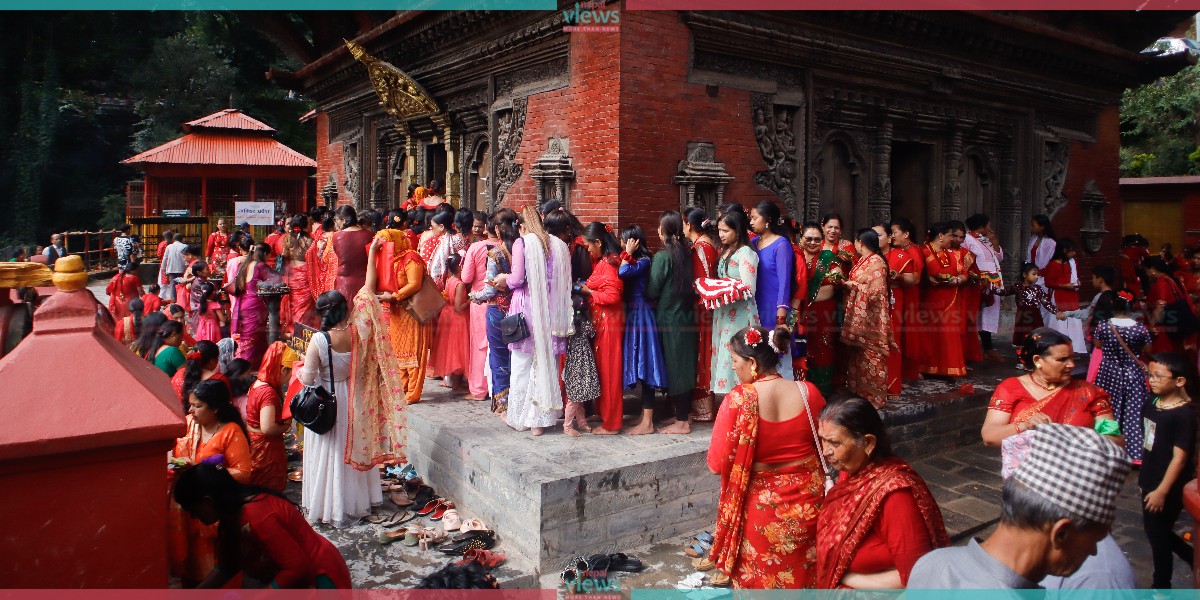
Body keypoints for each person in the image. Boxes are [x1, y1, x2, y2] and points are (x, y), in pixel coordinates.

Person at [909, 424, 1130, 588]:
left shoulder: (931, 565)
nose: (1094, 552)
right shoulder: (1102, 577)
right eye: (1095, 539)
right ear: (1061, 533)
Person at [705, 325, 825, 588]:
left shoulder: (738, 400)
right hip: (809, 507)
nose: (733, 368)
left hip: (760, 515)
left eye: (735, 362)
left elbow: (715, 464)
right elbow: (827, 447)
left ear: (751, 362)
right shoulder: (809, 392)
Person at [300, 241, 405, 527]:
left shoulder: (320, 340)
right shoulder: (360, 327)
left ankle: (331, 507)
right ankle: (357, 503)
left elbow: (308, 378)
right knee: (353, 449)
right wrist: (371, 253)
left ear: (324, 313)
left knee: (332, 452)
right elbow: (369, 290)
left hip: (328, 399)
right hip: (354, 397)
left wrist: (299, 368)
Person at [815, 397, 949, 588]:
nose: (826, 451)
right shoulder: (851, 472)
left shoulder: (895, 496)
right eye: (822, 440)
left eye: (835, 443)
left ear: (868, 443)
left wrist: (847, 577)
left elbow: (916, 577)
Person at [173, 464, 351, 589]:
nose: (194, 517)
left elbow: (297, 568)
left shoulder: (257, 516)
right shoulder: (231, 514)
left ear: (207, 502)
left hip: (320, 577)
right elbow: (227, 566)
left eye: (193, 510)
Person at [168, 380, 253, 587]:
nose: (191, 410)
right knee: (188, 568)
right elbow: (169, 450)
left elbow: (243, 474)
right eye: (190, 405)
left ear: (215, 408)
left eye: (197, 406)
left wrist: (199, 469)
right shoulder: (187, 424)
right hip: (188, 510)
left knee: (218, 568)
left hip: (214, 512)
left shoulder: (230, 432)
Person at [981, 327, 1123, 448]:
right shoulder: (1010, 388)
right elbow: (990, 436)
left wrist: (1076, 439)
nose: (1071, 365)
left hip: (1078, 475)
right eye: (1062, 360)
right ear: (1037, 360)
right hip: (1026, 476)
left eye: (1072, 358)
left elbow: (1116, 440)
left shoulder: (1089, 392)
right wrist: (1025, 425)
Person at [503, 206, 572, 436]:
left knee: (522, 365)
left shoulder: (522, 244)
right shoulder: (559, 246)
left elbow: (517, 279)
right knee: (545, 364)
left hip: (527, 311)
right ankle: (539, 420)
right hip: (552, 314)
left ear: (521, 226)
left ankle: (520, 418)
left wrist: (502, 279)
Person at [1140, 352, 1198, 588]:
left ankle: (1160, 586)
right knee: (1157, 532)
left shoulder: (1184, 414)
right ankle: (1193, 559)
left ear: (1180, 381)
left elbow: (1180, 458)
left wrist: (1162, 491)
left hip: (1168, 484)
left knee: (1158, 538)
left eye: (1159, 376)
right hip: (1149, 476)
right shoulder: (1152, 402)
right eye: (1150, 374)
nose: (1152, 380)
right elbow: (1149, 442)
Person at [646, 211, 697, 435]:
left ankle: (683, 421)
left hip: (669, 318)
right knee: (683, 366)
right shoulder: (687, 253)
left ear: (662, 231)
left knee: (676, 367)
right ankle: (680, 416)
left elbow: (652, 289)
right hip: (686, 317)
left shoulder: (663, 257)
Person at [373, 212, 431, 405]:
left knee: (414, 352)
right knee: (399, 352)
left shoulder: (411, 258)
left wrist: (394, 296)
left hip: (413, 312)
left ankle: (413, 391)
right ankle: (402, 387)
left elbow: (414, 284)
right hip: (398, 312)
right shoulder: (394, 259)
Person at [619, 224, 668, 434]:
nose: (621, 243)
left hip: (642, 314)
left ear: (633, 241)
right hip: (635, 313)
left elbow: (622, 272)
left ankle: (648, 422)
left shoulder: (645, 261)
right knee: (639, 362)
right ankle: (643, 415)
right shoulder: (637, 260)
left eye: (624, 240)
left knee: (646, 363)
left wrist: (626, 254)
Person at [1091, 291, 1151, 463]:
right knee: (1133, 412)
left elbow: (1098, 345)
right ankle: (1135, 453)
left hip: (1108, 373)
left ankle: (1105, 450)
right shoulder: (1139, 328)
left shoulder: (1103, 325)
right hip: (1133, 373)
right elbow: (1148, 350)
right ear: (1130, 307)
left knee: (1106, 409)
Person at [580, 221, 625, 435]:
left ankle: (612, 423)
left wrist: (589, 292)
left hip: (610, 324)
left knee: (609, 374)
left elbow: (613, 296)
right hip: (603, 323)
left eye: (590, 245)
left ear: (598, 242)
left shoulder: (610, 263)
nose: (588, 249)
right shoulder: (605, 261)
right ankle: (604, 412)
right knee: (603, 371)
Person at [841, 229, 895, 407]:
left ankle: (875, 397)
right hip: (860, 319)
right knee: (858, 357)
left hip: (872, 319)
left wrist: (852, 285)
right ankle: (859, 393)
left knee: (872, 357)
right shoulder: (864, 260)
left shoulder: (877, 262)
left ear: (859, 242)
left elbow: (876, 292)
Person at [473, 209, 519, 413]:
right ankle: (519, 398)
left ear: (498, 230)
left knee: (499, 355)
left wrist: (475, 296)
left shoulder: (496, 254)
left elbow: (490, 288)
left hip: (497, 309)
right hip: (519, 307)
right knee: (518, 355)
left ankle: (503, 401)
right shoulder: (522, 250)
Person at [710, 210, 761, 395]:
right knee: (726, 354)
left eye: (725, 231)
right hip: (725, 311)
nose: (721, 235)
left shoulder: (745, 253)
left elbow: (749, 288)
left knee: (738, 353)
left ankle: (742, 400)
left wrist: (721, 289)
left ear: (737, 231)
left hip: (739, 312)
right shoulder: (726, 250)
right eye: (719, 230)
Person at [794, 223, 844, 395]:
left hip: (823, 313)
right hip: (799, 311)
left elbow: (834, 284)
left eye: (817, 239)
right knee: (801, 348)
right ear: (801, 240)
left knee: (823, 348)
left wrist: (803, 296)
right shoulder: (795, 256)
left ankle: (822, 390)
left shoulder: (828, 257)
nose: (813, 242)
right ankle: (803, 388)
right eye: (809, 239)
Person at [749, 201, 795, 380]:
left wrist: (781, 316)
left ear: (767, 220)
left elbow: (784, 282)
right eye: (750, 218)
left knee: (778, 355)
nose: (751, 222)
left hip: (774, 308)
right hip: (755, 307)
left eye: (754, 218)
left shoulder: (781, 244)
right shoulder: (753, 243)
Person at [918, 222, 967, 377]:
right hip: (929, 300)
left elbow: (964, 273)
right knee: (929, 335)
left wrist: (958, 279)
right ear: (940, 236)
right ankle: (926, 368)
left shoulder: (952, 254)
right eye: (950, 235)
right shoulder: (923, 251)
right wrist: (927, 278)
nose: (952, 239)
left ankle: (946, 369)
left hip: (949, 299)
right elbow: (917, 273)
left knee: (947, 335)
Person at [684, 207, 719, 421]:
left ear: (688, 224)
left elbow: (700, 282)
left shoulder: (700, 247)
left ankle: (702, 409)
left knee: (702, 354)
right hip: (709, 304)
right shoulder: (709, 243)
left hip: (702, 305)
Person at [460, 210, 497, 401]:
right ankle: (498, 388)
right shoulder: (509, 246)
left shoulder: (476, 248)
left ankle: (479, 388)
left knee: (480, 345)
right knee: (499, 344)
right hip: (503, 301)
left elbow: (466, 277)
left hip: (479, 299)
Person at [1057, 265, 1118, 382]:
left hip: (1099, 339)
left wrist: (1067, 314)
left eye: (1093, 277)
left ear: (1100, 279)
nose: (1092, 280)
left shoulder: (1100, 297)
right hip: (1110, 339)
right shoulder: (1115, 296)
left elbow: (1088, 313)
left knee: (1098, 366)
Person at [246, 342, 292, 491]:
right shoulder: (268, 393)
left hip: (254, 443)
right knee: (268, 490)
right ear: (283, 369)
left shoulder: (257, 384)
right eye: (290, 373)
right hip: (266, 450)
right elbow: (267, 427)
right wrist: (286, 425)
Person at [995, 263, 1059, 365]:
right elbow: (1003, 292)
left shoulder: (1038, 289)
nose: (1036, 277)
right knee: (1022, 339)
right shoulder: (1017, 287)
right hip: (1023, 318)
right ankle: (1023, 360)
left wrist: (1056, 312)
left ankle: (1035, 360)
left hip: (1035, 317)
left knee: (1036, 337)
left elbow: (1046, 302)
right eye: (1034, 274)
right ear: (1025, 275)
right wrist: (990, 286)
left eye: (1037, 275)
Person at [961, 214, 1005, 363]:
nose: (990, 228)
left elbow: (998, 259)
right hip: (976, 283)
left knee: (987, 315)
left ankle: (988, 349)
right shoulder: (967, 240)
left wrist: (995, 242)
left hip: (991, 283)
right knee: (974, 315)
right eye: (988, 225)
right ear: (981, 227)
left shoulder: (986, 241)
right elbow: (965, 261)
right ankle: (970, 350)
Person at [428, 253, 470, 393]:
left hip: (447, 315)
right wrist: (470, 301)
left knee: (450, 349)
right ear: (460, 266)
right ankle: (457, 386)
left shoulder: (449, 280)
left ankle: (453, 382)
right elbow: (458, 307)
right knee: (458, 350)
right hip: (457, 318)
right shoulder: (460, 284)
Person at [888, 219, 923, 383]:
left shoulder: (913, 252)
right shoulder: (898, 250)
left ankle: (908, 373)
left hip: (908, 296)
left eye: (895, 232)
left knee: (906, 334)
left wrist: (898, 277)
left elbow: (915, 279)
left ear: (906, 234)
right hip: (903, 294)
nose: (892, 236)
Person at [229, 243, 272, 365]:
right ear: (264, 254)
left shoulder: (243, 265)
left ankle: (249, 363)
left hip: (243, 303)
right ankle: (248, 364)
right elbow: (276, 279)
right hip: (255, 305)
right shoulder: (260, 266)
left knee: (247, 335)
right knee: (254, 336)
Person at [1042, 238, 1087, 354]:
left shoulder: (1072, 263)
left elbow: (1074, 278)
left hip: (1071, 296)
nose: (1074, 253)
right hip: (1059, 296)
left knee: (1074, 322)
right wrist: (1064, 285)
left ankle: (1074, 349)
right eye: (1071, 251)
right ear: (1064, 250)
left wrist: (1077, 282)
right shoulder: (1053, 265)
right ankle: (1058, 349)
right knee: (1059, 324)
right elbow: (1048, 283)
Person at [1144, 257, 1196, 356]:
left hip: (1163, 332)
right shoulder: (1171, 279)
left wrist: (1152, 324)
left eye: (1145, 270)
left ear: (1153, 270)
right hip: (1174, 326)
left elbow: (1161, 305)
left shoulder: (1161, 283)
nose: (1146, 274)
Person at [171, 340, 230, 412]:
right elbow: (226, 408)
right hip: (206, 423)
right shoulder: (219, 379)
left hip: (178, 418)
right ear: (212, 361)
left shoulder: (179, 373)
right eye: (217, 359)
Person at [331, 205, 374, 304]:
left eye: (337, 220)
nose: (337, 223)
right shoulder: (369, 235)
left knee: (346, 315)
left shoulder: (336, 237)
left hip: (343, 282)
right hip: (366, 282)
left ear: (344, 220)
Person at [283, 214, 316, 328]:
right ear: (305, 226)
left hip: (292, 275)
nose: (311, 225)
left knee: (293, 305)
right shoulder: (310, 241)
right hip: (304, 275)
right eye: (309, 223)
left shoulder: (287, 239)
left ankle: (294, 331)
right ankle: (302, 331)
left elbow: (284, 256)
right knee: (304, 308)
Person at [191, 279, 227, 344]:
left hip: (201, 327)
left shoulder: (200, 305)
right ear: (213, 293)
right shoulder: (215, 305)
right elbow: (223, 319)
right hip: (213, 328)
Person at [160, 233, 188, 302]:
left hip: (171, 268)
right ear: (182, 239)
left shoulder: (169, 247)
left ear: (174, 239)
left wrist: (163, 268)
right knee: (182, 284)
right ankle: (181, 299)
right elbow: (187, 258)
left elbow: (165, 258)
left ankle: (173, 300)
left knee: (173, 284)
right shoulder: (185, 246)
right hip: (182, 268)